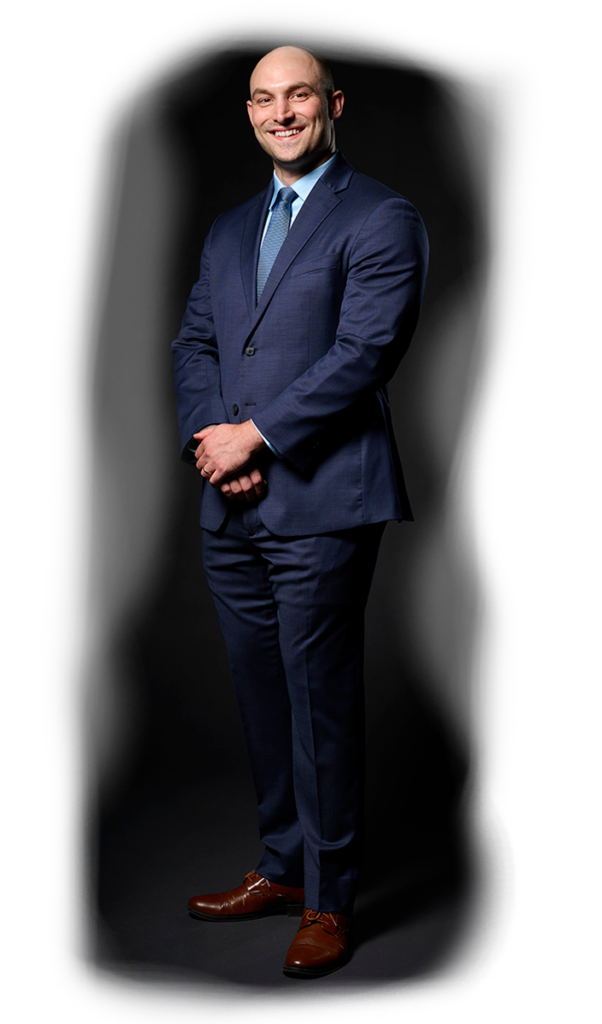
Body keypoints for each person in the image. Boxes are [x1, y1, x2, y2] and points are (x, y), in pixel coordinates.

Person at [171, 44, 428, 977]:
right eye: (264, 99)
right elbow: (196, 343)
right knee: (260, 695)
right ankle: (282, 867)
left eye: (299, 96)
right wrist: (215, 441)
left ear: (333, 104)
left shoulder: (381, 216)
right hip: (231, 501)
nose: (282, 113)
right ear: (249, 113)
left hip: (324, 501)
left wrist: (257, 437)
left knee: (320, 699)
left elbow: (364, 354)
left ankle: (329, 898)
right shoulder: (229, 228)